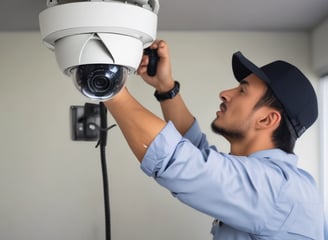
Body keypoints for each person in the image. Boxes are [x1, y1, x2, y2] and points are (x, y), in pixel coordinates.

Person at [104, 40, 325, 239]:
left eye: (242, 91)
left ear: (267, 119)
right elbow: (194, 152)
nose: (225, 93)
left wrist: (107, 85)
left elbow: (177, 160)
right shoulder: (278, 183)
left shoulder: (276, 189)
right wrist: (166, 87)